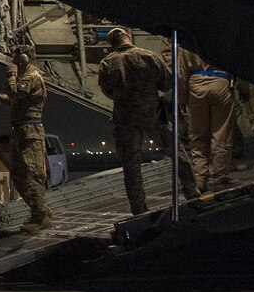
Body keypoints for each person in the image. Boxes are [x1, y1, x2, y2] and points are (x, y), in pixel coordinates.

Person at [94, 27, 171, 214]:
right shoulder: (148, 56)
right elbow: (166, 82)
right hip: (152, 113)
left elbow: (107, 91)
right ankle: (192, 192)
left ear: (111, 44)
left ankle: (139, 209)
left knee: (131, 166)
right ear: (127, 37)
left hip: (125, 117)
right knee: (177, 152)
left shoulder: (106, 63)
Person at [0, 44, 52, 230]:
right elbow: (18, 98)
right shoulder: (27, 78)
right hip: (21, 130)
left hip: (29, 131)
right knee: (18, 174)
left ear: (24, 59)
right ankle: (39, 209)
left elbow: (16, 93)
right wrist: (5, 98)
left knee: (31, 173)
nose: (14, 63)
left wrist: (11, 75)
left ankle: (40, 216)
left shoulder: (32, 77)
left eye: (16, 59)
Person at [178, 47, 237, 193]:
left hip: (196, 84)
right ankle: (219, 177)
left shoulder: (185, 41)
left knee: (198, 135)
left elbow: (181, 73)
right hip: (221, 82)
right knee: (221, 133)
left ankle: (200, 178)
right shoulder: (218, 37)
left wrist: (182, 100)